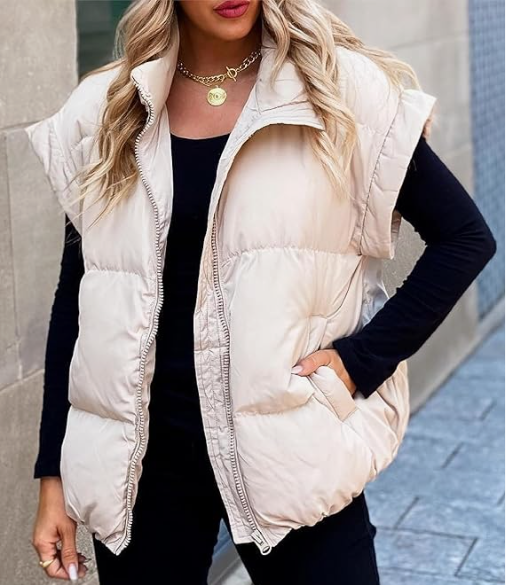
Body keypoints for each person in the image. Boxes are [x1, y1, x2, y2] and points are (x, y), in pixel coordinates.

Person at [26, 0, 497, 583]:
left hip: (290, 447)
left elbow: (464, 239)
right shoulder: (109, 108)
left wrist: (359, 362)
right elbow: (79, 298)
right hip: (141, 467)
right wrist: (54, 474)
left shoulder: (336, 91)